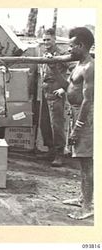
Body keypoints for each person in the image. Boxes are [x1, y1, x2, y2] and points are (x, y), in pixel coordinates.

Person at [50, 27, 94, 220]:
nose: (69, 50)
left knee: (86, 163)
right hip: (76, 114)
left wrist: (78, 127)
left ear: (81, 45)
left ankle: (88, 206)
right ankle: (84, 197)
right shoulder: (78, 64)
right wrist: (53, 69)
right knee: (81, 161)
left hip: (86, 118)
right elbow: (68, 86)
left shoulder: (90, 67)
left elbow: (88, 100)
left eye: (71, 46)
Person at [39, 28, 69, 167]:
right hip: (45, 90)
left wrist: (64, 88)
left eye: (48, 40)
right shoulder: (44, 53)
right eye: (44, 40)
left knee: (56, 124)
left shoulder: (62, 54)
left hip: (56, 90)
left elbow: (73, 72)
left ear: (54, 40)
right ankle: (51, 150)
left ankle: (59, 154)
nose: (46, 42)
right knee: (44, 123)